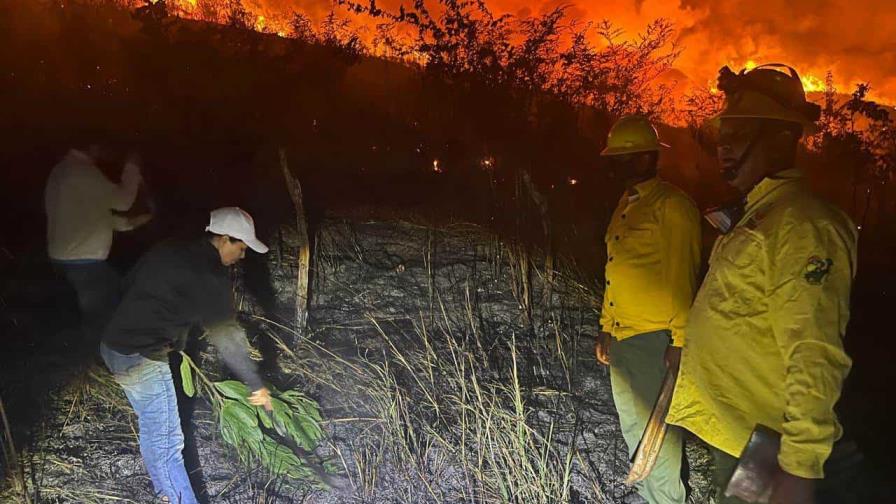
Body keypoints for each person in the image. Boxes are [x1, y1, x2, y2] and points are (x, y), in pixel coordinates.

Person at [666, 64, 858, 504]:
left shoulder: (804, 223)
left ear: (783, 137)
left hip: (767, 445)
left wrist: (799, 467)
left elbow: (815, 350)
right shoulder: (761, 212)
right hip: (737, 436)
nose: (724, 147)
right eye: (724, 134)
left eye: (740, 133)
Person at [100, 207, 274, 504]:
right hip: (142, 357)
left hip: (114, 346)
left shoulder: (171, 248)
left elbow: (129, 284)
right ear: (223, 239)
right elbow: (227, 337)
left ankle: (165, 495)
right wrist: (255, 383)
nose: (242, 256)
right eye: (241, 247)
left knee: (154, 431)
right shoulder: (209, 274)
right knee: (169, 445)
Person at [594, 115, 702, 504]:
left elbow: (681, 278)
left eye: (628, 157)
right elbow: (615, 270)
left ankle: (667, 500)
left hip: (655, 340)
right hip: (624, 337)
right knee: (634, 431)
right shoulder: (628, 204)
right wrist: (606, 326)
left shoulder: (672, 206)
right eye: (616, 158)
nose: (620, 165)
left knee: (660, 438)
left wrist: (680, 341)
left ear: (648, 158)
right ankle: (648, 496)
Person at [44, 143, 152, 349]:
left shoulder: (60, 171)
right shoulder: (83, 172)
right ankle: (100, 360)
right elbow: (123, 201)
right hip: (83, 260)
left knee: (97, 307)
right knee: (103, 315)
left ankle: (89, 355)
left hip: (65, 256)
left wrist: (132, 223)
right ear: (93, 146)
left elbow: (88, 215)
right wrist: (132, 167)